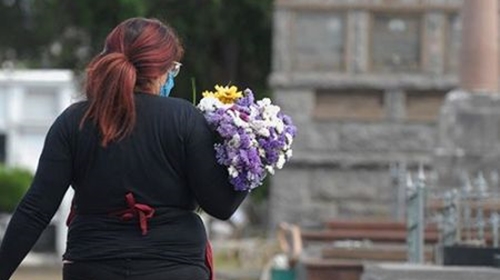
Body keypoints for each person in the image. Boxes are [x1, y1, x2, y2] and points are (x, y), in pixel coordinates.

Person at [0, 17, 248, 280]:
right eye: (173, 69)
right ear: (161, 71)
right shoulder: (185, 119)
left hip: (93, 267)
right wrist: (253, 159)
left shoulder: (75, 122)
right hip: (175, 268)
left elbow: (36, 210)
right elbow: (221, 206)